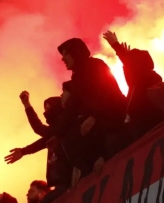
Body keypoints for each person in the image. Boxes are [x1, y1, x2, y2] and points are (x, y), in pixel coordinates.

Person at [47, 38, 127, 180]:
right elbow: (71, 110)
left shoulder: (96, 65)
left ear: (75, 53)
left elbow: (108, 93)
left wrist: (93, 116)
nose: (62, 59)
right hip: (102, 132)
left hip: (117, 125)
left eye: (65, 54)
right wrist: (58, 135)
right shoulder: (77, 78)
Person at [4, 91, 73, 203]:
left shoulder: (65, 128)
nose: (46, 113)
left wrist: (23, 151)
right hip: (61, 183)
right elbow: (40, 129)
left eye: (48, 108)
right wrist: (27, 105)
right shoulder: (53, 132)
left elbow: (41, 132)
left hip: (68, 181)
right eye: (45, 109)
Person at [103, 30, 164, 137]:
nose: (126, 70)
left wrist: (118, 48)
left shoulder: (139, 88)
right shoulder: (153, 80)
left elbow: (135, 70)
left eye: (127, 66)